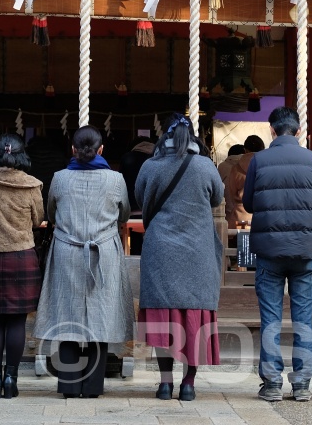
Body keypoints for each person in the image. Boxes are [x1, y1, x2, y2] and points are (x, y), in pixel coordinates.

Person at [33, 125, 134, 398]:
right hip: (103, 252)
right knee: (99, 317)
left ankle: (68, 384)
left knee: (67, 315)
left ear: (73, 150)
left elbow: (51, 213)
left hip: (67, 250)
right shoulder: (116, 180)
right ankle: (92, 387)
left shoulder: (59, 178)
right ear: (101, 149)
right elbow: (124, 213)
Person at [135, 115, 224, 402]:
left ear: (165, 139)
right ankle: (189, 383)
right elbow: (217, 198)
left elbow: (140, 197)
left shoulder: (151, 165)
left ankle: (164, 383)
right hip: (198, 249)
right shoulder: (205, 165)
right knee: (194, 315)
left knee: (164, 315)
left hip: (161, 248)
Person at [242, 106, 312, 403]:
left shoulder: (260, 160)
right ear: (298, 131)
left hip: (269, 252)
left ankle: (273, 383)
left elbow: (249, 204)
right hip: (305, 251)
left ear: (272, 130)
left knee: (271, 319)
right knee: (304, 318)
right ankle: (302, 383)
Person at [0, 134, 45, 399]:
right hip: (22, 255)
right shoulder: (31, 185)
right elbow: (38, 218)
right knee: (16, 321)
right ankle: (11, 380)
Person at [223, 135, 265, 229]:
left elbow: (231, 191)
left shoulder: (235, 168)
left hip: (239, 216)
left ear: (245, 150)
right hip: (261, 217)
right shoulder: (266, 167)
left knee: (239, 242)